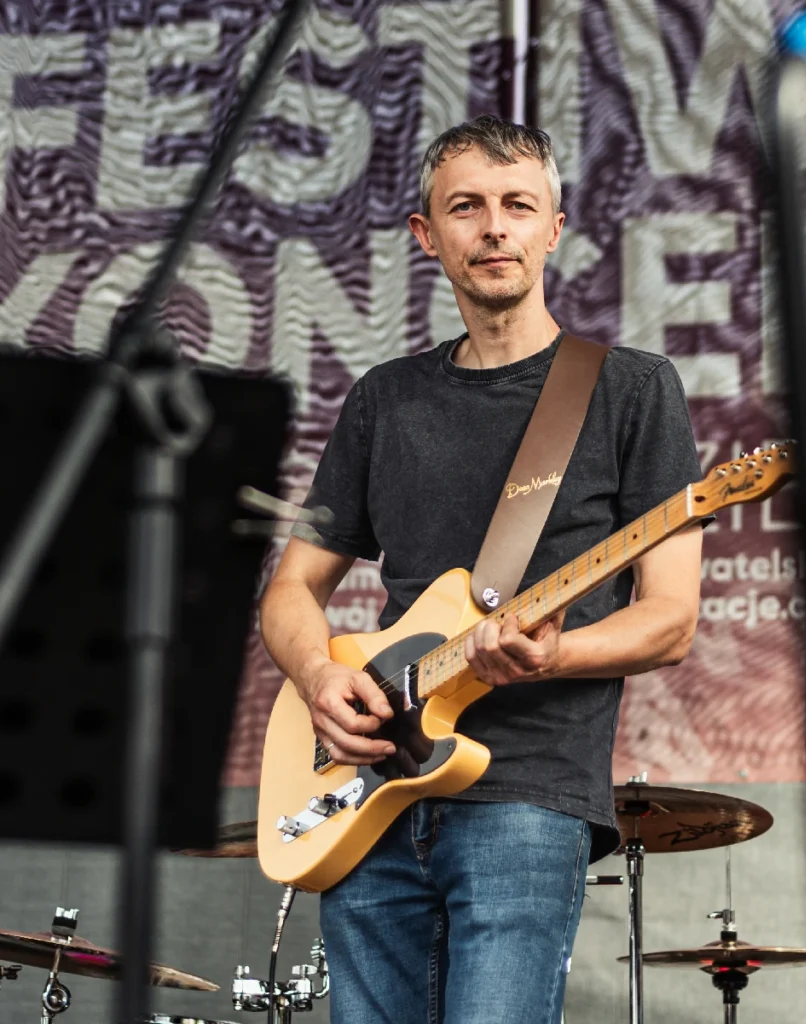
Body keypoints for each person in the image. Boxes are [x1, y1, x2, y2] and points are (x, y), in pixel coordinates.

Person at [259, 115, 704, 1024]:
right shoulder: (383, 399)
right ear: (427, 235)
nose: (494, 227)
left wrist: (555, 654)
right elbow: (291, 589)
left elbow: (671, 618)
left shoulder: (631, 389)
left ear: (555, 228)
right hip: (366, 794)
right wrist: (316, 677)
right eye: (466, 207)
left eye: (517, 205)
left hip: (527, 795)